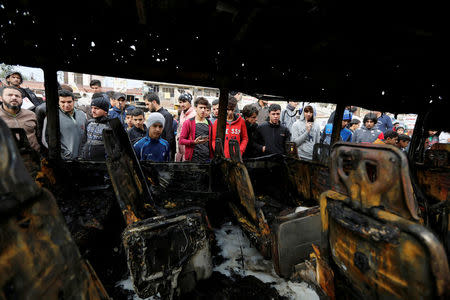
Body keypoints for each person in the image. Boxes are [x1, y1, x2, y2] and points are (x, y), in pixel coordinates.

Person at [42, 90, 87, 160]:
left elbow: (86, 136)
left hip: (82, 159)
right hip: (63, 160)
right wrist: (64, 155)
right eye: (63, 102)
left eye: (69, 102)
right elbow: (46, 139)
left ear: (74, 101)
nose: (66, 105)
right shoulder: (52, 117)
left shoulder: (82, 114)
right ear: (58, 102)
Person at [0, 86, 40, 151]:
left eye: (17, 96)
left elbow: (39, 135)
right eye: (10, 95)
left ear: (22, 99)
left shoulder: (31, 114)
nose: (14, 98)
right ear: (1, 98)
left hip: (32, 158)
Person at [179, 97, 213, 163]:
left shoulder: (209, 123)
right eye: (201, 108)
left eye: (205, 108)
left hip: (206, 158)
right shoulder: (188, 122)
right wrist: (193, 142)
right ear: (195, 108)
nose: (203, 110)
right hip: (193, 158)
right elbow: (181, 140)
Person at [144, 92, 175, 160]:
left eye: (147, 104)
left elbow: (169, 137)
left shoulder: (166, 115)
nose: (146, 107)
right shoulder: (153, 115)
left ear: (154, 102)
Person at [175, 93, 196, 161]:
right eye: (180, 102)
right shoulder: (182, 113)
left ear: (190, 102)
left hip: (189, 145)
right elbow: (179, 128)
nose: (182, 104)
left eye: (184, 102)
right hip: (180, 145)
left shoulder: (194, 114)